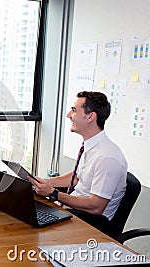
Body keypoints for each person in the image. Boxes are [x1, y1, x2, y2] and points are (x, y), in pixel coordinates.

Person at [29, 91, 127, 229]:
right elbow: (77, 178)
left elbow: (96, 207)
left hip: (88, 224)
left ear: (90, 117)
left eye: (74, 110)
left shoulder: (107, 157)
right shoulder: (91, 147)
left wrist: (53, 193)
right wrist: (43, 182)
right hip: (70, 211)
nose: (68, 115)